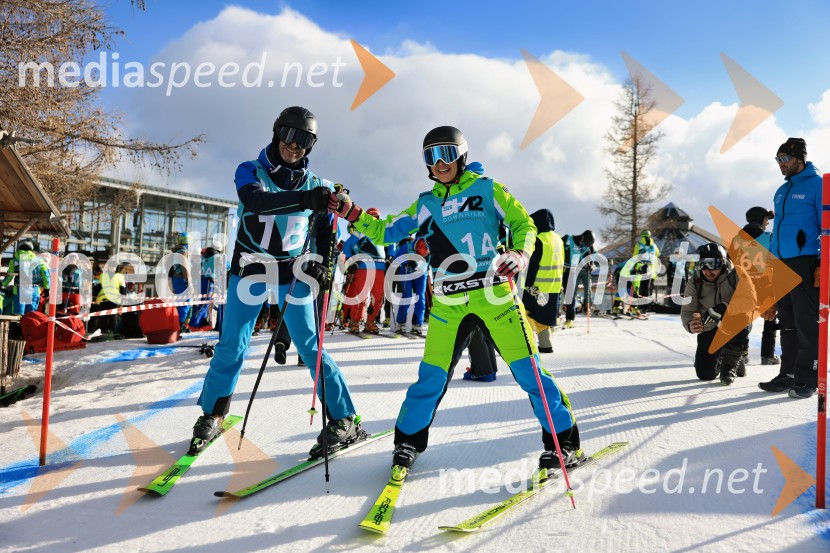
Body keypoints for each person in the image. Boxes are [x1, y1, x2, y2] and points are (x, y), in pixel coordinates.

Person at [331, 125, 582, 473]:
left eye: (446, 153)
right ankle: (408, 442)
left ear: (462, 155)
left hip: (494, 298)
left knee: (530, 373)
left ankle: (563, 442)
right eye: (430, 156)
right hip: (449, 303)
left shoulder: (488, 188)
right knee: (430, 377)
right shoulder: (426, 203)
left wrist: (520, 254)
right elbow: (387, 230)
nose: (439, 162)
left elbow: (524, 224)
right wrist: (352, 213)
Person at [193, 106, 362, 457]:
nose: (294, 146)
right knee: (232, 346)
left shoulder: (319, 186)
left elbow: (327, 231)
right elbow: (253, 200)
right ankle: (213, 414)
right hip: (251, 269)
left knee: (310, 347)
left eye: (305, 141)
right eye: (289, 135)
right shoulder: (250, 170)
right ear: (276, 133)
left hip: (291, 272)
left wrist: (322, 264)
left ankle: (345, 418)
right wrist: (303, 199)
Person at [758, 138, 821, 398]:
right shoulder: (782, 191)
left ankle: (809, 377)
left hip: (805, 262)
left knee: (807, 323)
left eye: (784, 159)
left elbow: (827, 227)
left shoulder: (818, 184)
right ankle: (790, 373)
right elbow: (777, 232)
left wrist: (822, 264)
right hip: (781, 263)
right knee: (788, 323)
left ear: (799, 157)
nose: (780, 164)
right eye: (777, 160)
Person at [680, 243, 755, 384]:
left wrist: (723, 308)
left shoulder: (737, 273)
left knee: (740, 317)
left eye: (713, 264)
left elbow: (750, 301)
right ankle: (729, 355)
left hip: (734, 324)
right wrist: (690, 324)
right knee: (705, 374)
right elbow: (687, 310)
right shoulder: (695, 281)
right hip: (710, 327)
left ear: (723, 263)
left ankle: (730, 365)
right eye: (703, 265)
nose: (708, 271)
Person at [729, 206, 780, 365]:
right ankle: (767, 356)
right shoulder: (769, 237)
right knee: (770, 319)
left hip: (743, 284)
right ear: (760, 219)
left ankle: (741, 353)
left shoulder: (737, 239)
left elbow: (731, 261)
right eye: (766, 219)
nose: (767, 222)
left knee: (743, 318)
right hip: (765, 283)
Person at [522, 209, 564, 353]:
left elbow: (533, 265)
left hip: (536, 288)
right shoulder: (558, 239)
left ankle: (528, 346)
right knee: (543, 321)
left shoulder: (539, 240)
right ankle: (546, 345)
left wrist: (526, 284)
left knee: (525, 314)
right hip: (553, 287)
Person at [340, 209, 386, 334]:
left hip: (380, 266)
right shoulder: (360, 230)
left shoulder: (382, 229)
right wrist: (351, 259)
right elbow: (347, 245)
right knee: (361, 295)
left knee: (378, 296)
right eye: (372, 217)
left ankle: (370, 321)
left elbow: (390, 244)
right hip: (364, 265)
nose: (374, 219)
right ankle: (355, 321)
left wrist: (391, 256)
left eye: (376, 217)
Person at [392, 234, 429, 335]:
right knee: (407, 297)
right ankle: (401, 323)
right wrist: (406, 261)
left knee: (420, 298)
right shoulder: (408, 246)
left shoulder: (430, 243)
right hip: (407, 273)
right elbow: (396, 258)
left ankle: (417, 324)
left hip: (421, 274)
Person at [1, 239, 49, 315]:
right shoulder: (39, 261)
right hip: (34, 290)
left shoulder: (15, 261)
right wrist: (46, 287)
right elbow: (45, 274)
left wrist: (2, 284)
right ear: (31, 249)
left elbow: (9, 276)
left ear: (20, 248)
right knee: (31, 315)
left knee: (18, 315)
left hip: (20, 290)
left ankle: (16, 326)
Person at [631, 230, 660, 314]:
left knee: (640, 288)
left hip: (640, 268)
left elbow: (635, 256)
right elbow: (658, 254)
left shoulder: (639, 245)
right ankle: (646, 307)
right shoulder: (654, 246)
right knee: (648, 289)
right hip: (651, 270)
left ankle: (640, 307)